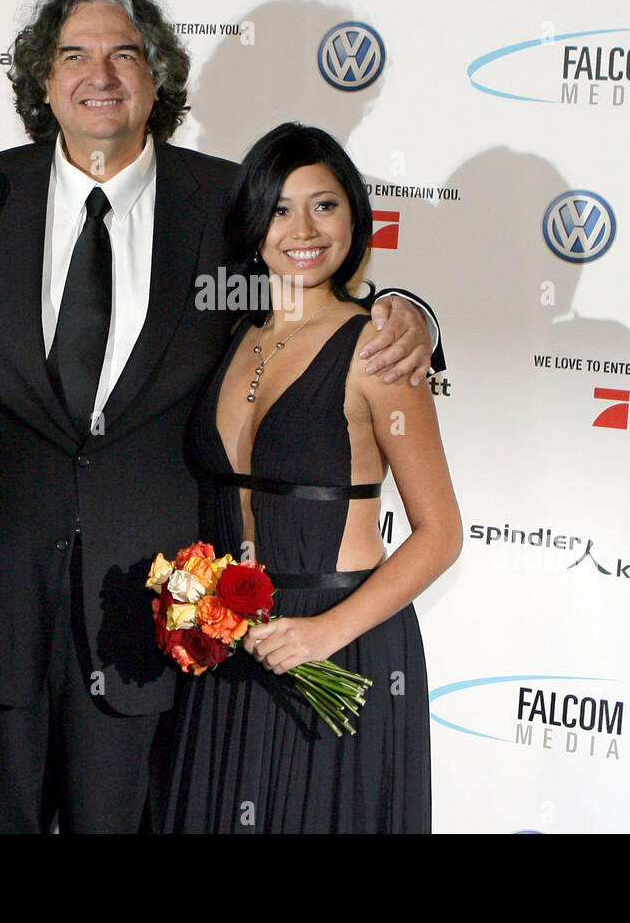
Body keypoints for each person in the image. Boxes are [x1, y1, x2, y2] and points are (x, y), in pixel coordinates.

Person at [0, 0, 440, 834]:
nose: (99, 74)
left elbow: (314, 292)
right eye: (74, 55)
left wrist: (409, 311)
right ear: (43, 79)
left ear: (156, 77)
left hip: (148, 626)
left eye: (123, 54)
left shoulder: (226, 209)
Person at [161, 124, 462, 833]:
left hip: (340, 648)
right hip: (232, 645)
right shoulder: (234, 335)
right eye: (281, 208)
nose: (303, 229)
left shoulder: (377, 348)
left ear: (354, 218)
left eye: (324, 205)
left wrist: (325, 633)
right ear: (253, 223)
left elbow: (441, 533)